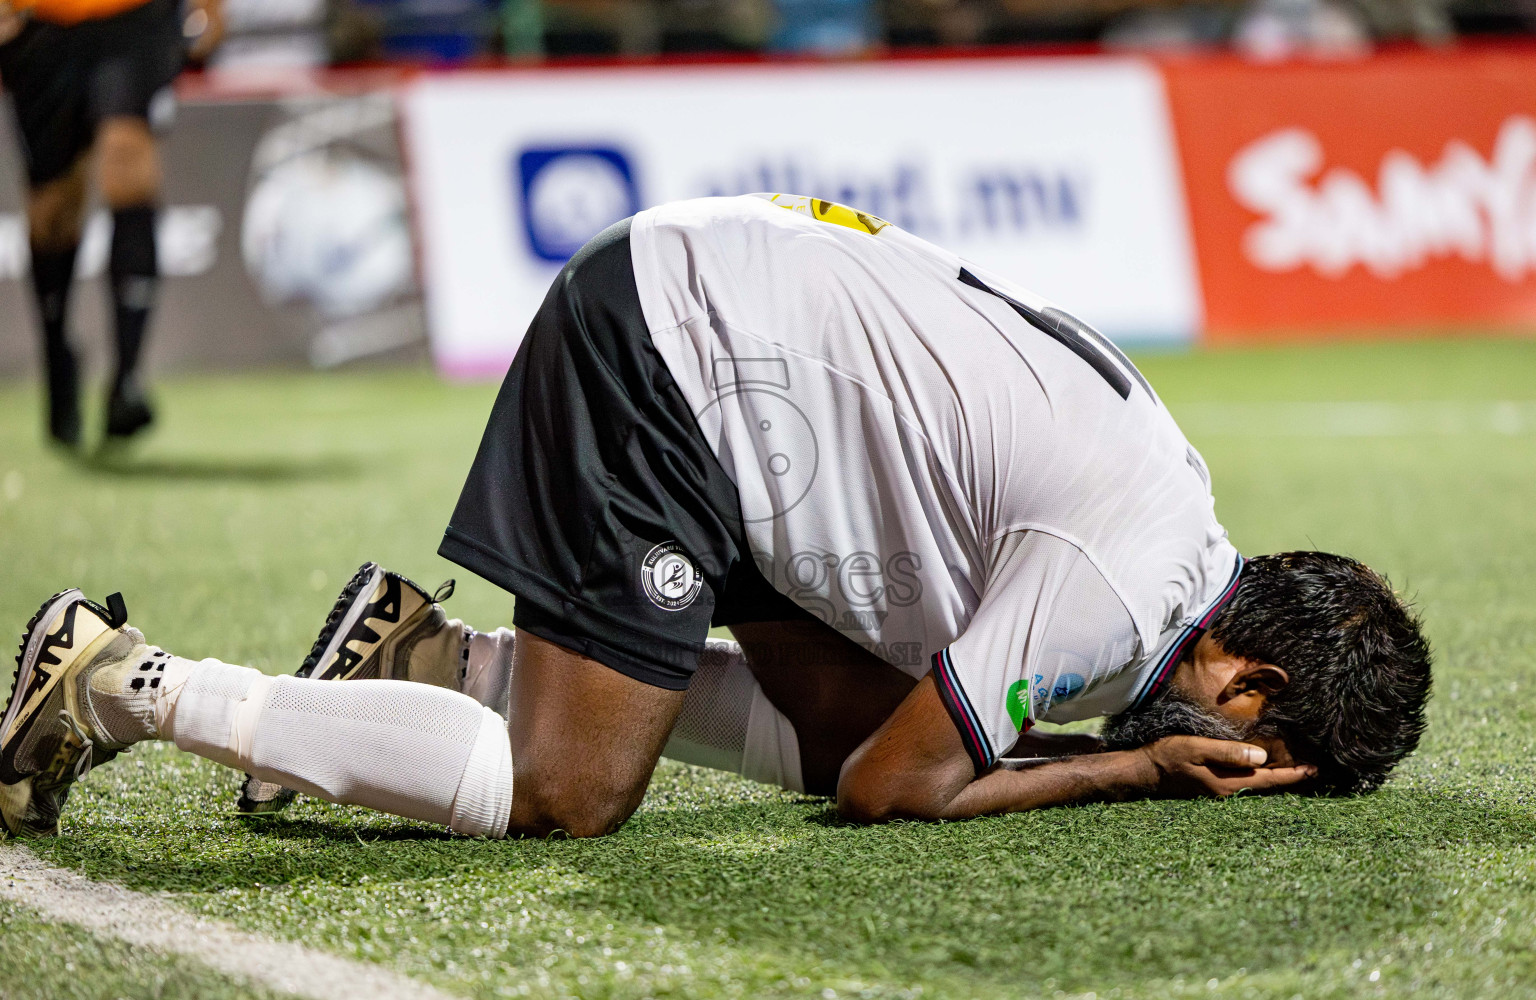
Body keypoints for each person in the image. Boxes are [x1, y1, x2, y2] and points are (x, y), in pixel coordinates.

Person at [0, 194, 1433, 841]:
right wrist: (1132, 775)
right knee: (569, 795)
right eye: (1271, 755)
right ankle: (125, 685)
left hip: (753, 382)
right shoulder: (1116, 596)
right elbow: (901, 795)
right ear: (1252, 684)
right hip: (681, 362)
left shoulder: (1178, 525)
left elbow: (868, 753)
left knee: (836, 734)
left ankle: (433, 660)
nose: (1243, 767)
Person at [0, 0, 222, 447]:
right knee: (52, 212)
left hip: (135, 18)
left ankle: (128, 377)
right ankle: (57, 355)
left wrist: (211, 7)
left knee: (128, 163)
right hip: (42, 24)